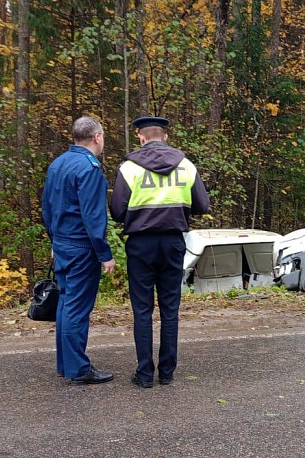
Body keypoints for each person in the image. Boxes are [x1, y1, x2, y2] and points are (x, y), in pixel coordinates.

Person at [110, 116, 210, 389]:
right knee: (170, 309)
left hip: (141, 244)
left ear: (141, 137)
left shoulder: (129, 167)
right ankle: (166, 371)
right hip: (172, 242)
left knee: (142, 310)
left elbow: (117, 211)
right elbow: (202, 204)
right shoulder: (186, 165)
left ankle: (144, 374)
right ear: (165, 136)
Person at [42, 116, 116, 385]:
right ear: (97, 137)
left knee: (65, 303)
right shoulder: (89, 169)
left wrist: (54, 240)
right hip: (81, 246)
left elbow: (46, 208)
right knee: (76, 307)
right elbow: (93, 217)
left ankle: (66, 363)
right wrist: (104, 253)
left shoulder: (58, 164)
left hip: (62, 242)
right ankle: (78, 369)